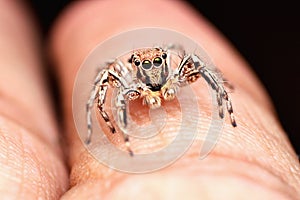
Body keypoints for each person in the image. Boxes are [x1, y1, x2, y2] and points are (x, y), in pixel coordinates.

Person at [0, 1, 299, 199]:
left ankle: (226, 104)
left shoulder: (175, 72)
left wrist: (225, 100)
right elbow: (108, 89)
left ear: (163, 60)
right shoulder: (129, 83)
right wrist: (116, 131)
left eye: (157, 61)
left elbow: (200, 65)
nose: (151, 68)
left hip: (171, 85)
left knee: (198, 61)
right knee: (105, 77)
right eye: (144, 64)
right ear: (136, 67)